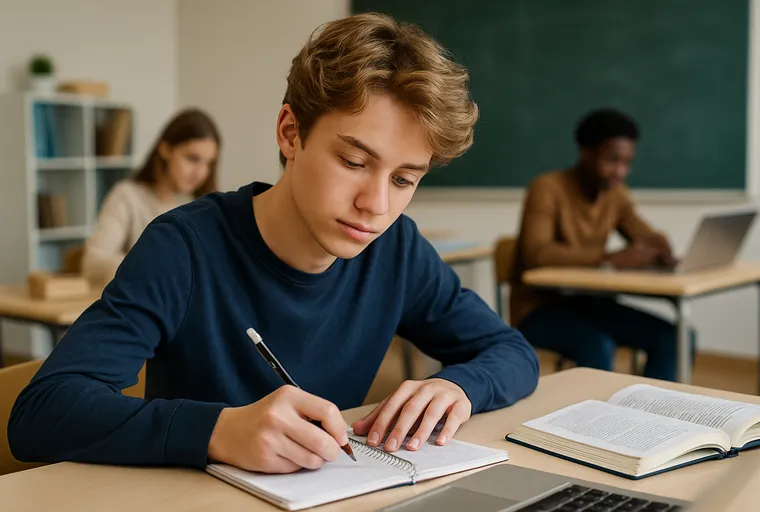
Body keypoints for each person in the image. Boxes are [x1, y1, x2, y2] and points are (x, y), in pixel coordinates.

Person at [9, 13, 539, 475]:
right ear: (290, 133)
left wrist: (462, 387)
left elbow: (511, 351)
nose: (376, 205)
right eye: (354, 162)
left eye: (404, 179)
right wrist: (218, 430)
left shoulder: (396, 248)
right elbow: (43, 413)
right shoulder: (184, 247)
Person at [510, 108, 694, 382]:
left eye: (627, 162)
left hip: (591, 303)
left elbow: (642, 233)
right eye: (612, 160)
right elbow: (537, 253)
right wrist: (609, 258)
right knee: (598, 345)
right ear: (586, 152)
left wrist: (659, 248)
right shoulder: (547, 188)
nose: (620, 171)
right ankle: (595, 424)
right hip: (539, 309)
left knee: (676, 337)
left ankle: (652, 417)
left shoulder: (616, 193)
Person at [81, 108, 220, 287]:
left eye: (209, 163)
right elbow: (93, 263)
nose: (200, 173)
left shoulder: (205, 206)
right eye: (192, 159)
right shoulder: (127, 196)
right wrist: (158, 269)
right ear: (165, 149)